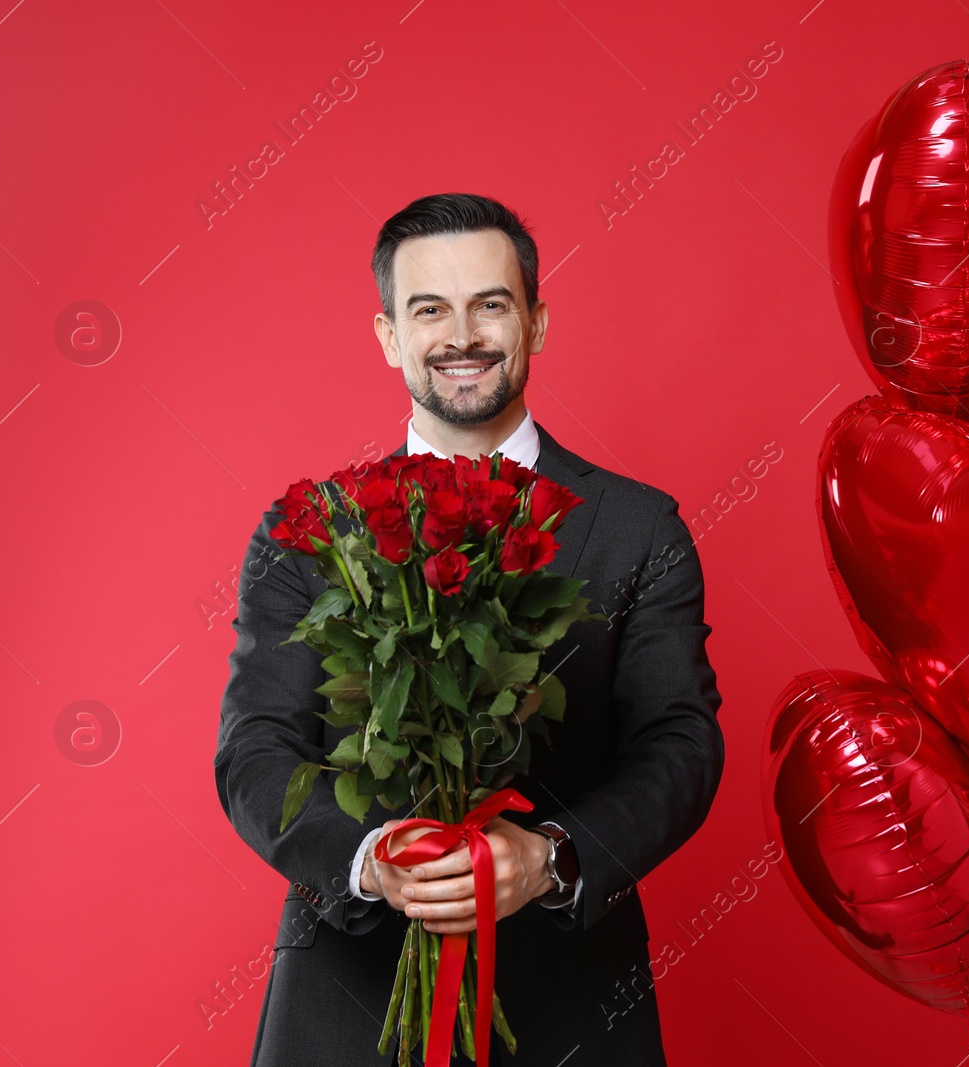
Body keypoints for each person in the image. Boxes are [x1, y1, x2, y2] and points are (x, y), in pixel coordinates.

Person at [213, 193, 725, 1065]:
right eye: (429, 310)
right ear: (388, 336)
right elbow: (255, 749)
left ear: (536, 321)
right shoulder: (310, 530)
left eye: (491, 303)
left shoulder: (641, 529)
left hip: (570, 1005)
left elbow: (679, 743)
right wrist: (370, 859)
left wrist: (553, 856)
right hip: (345, 1009)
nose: (463, 336)